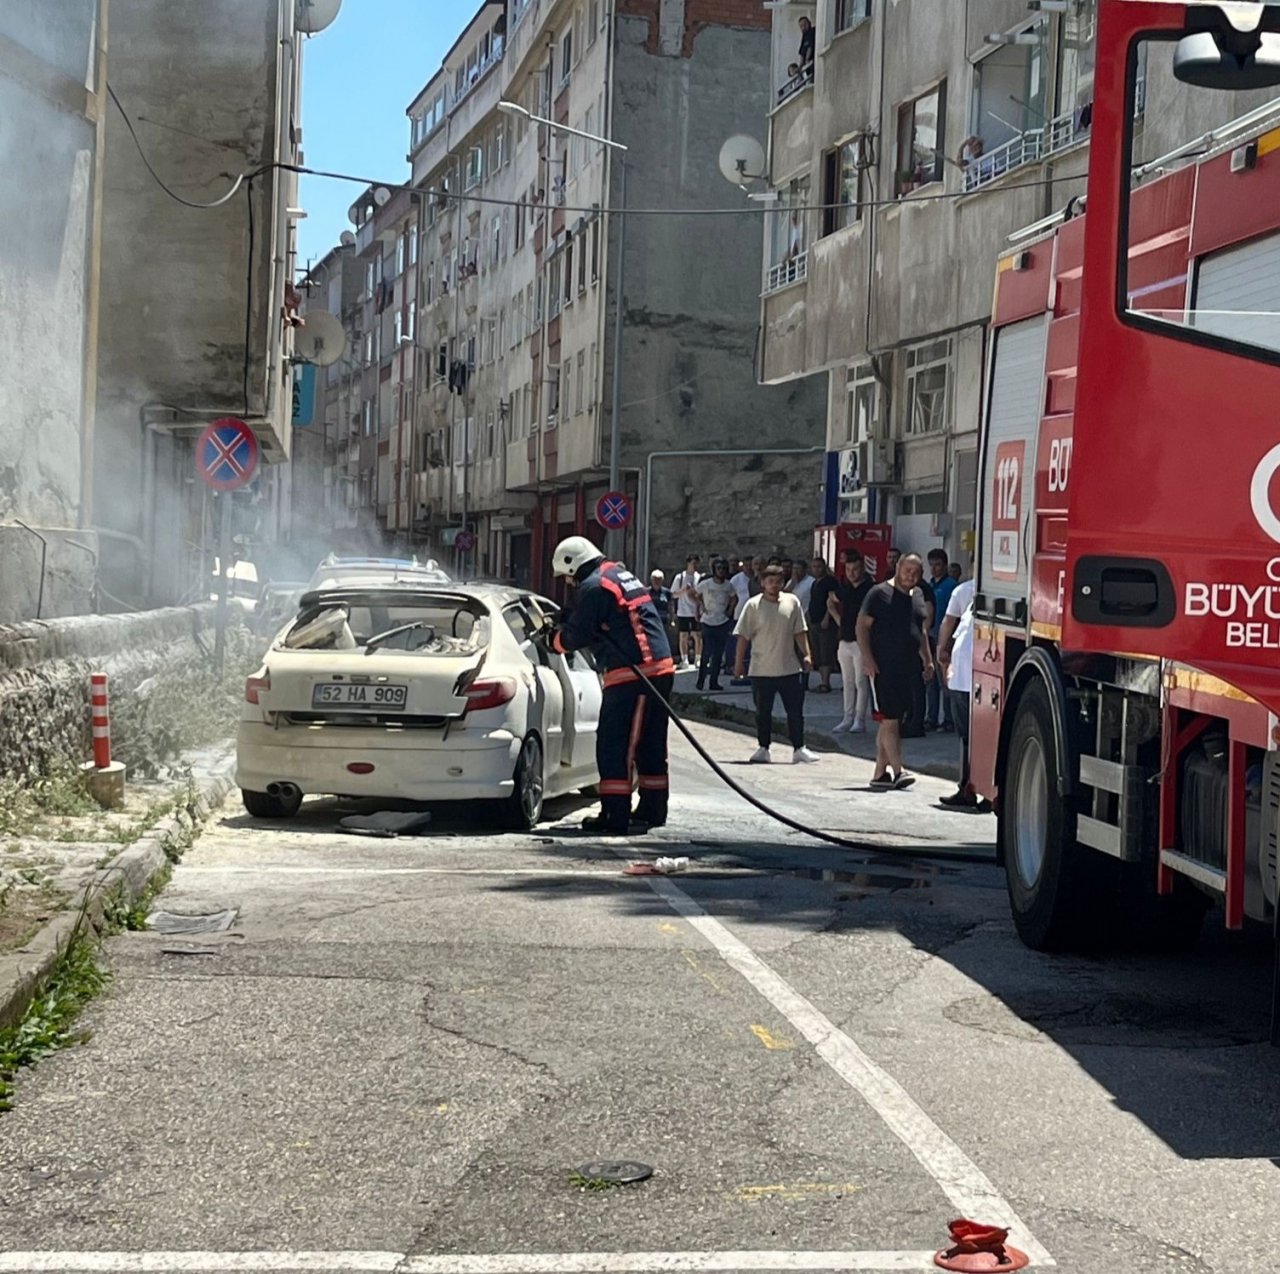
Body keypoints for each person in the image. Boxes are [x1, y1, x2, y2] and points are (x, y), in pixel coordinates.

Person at [549, 536, 675, 834]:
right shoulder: (617, 574)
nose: (568, 584)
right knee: (649, 745)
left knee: (614, 745)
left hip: (635, 675)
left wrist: (553, 641)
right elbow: (607, 621)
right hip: (657, 669)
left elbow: (576, 636)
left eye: (568, 577)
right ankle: (652, 809)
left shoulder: (594, 586)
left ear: (573, 564)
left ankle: (613, 816)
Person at [857, 552, 933, 790]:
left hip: (908, 666)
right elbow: (861, 627)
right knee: (890, 720)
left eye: (915, 572)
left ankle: (880, 773)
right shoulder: (878, 593)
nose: (910, 576)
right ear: (898, 568)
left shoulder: (919, 595)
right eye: (907, 570)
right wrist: (867, 659)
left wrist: (928, 661)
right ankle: (899, 770)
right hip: (883, 666)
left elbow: (919, 631)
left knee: (893, 720)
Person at [733, 565, 818, 764]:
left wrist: (807, 655)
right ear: (762, 583)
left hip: (789, 668)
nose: (774, 585)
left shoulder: (792, 602)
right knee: (763, 713)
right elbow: (743, 637)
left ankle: (799, 748)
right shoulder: (752, 606)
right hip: (761, 670)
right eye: (770, 581)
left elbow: (800, 631)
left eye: (778, 581)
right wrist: (738, 664)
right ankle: (763, 748)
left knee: (795, 711)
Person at [936, 573, 991, 812]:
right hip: (962, 681)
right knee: (967, 739)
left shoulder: (987, 600)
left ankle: (986, 792)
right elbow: (951, 627)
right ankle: (966, 788)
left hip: (978, 683)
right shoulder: (969, 601)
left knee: (981, 739)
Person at [828, 548, 872, 734]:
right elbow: (830, 600)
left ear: (862, 568)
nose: (851, 573)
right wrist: (839, 621)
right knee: (847, 681)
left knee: (861, 682)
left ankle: (859, 719)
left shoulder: (870, 589)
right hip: (844, 640)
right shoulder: (845, 588)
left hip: (861, 642)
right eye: (848, 570)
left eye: (855, 569)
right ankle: (847, 717)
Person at [924, 549, 955, 732]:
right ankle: (932, 717)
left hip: (945, 638)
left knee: (946, 682)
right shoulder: (929, 586)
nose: (934, 569)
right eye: (932, 565)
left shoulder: (951, 586)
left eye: (937, 565)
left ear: (945, 565)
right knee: (931, 681)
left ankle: (949, 720)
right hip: (929, 636)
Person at [695, 557, 736, 692]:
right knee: (706, 653)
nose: (721, 571)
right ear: (714, 570)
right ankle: (701, 681)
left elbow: (734, 598)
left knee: (718, 654)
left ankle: (714, 681)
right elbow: (694, 594)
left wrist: (729, 611)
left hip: (722, 621)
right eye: (719, 568)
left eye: (724, 568)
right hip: (707, 621)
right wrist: (700, 607)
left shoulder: (728, 585)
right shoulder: (706, 584)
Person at [807, 555, 839, 693]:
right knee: (817, 652)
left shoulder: (830, 582)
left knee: (825, 651)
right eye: (814, 566)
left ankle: (826, 682)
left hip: (825, 622)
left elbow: (832, 601)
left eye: (819, 566)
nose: (816, 569)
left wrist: (828, 617)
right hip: (813, 621)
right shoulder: (815, 583)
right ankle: (822, 681)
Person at [671, 554, 702, 670]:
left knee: (697, 636)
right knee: (683, 635)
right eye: (692, 563)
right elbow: (673, 594)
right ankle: (684, 659)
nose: (694, 566)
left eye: (696, 563)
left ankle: (698, 659)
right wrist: (683, 591)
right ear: (688, 563)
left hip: (695, 611)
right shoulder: (680, 577)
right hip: (683, 611)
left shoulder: (699, 577)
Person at [648, 569, 675, 653]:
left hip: (663, 621)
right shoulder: (646, 592)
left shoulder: (666, 592)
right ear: (651, 580)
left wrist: (672, 620)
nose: (657, 581)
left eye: (659, 579)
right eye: (655, 579)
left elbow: (671, 606)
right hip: (650, 620)